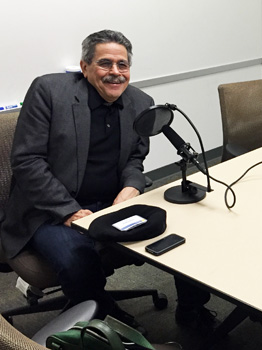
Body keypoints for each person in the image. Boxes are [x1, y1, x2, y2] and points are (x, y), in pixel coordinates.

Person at [0, 29, 214, 331]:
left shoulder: (141, 102)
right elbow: (27, 161)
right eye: (105, 63)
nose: (116, 72)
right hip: (47, 210)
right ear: (85, 67)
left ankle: (192, 306)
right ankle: (102, 316)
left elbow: (135, 159)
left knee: (187, 228)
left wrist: (131, 187)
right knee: (78, 259)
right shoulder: (49, 91)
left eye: (122, 65)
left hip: (111, 203)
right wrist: (68, 210)